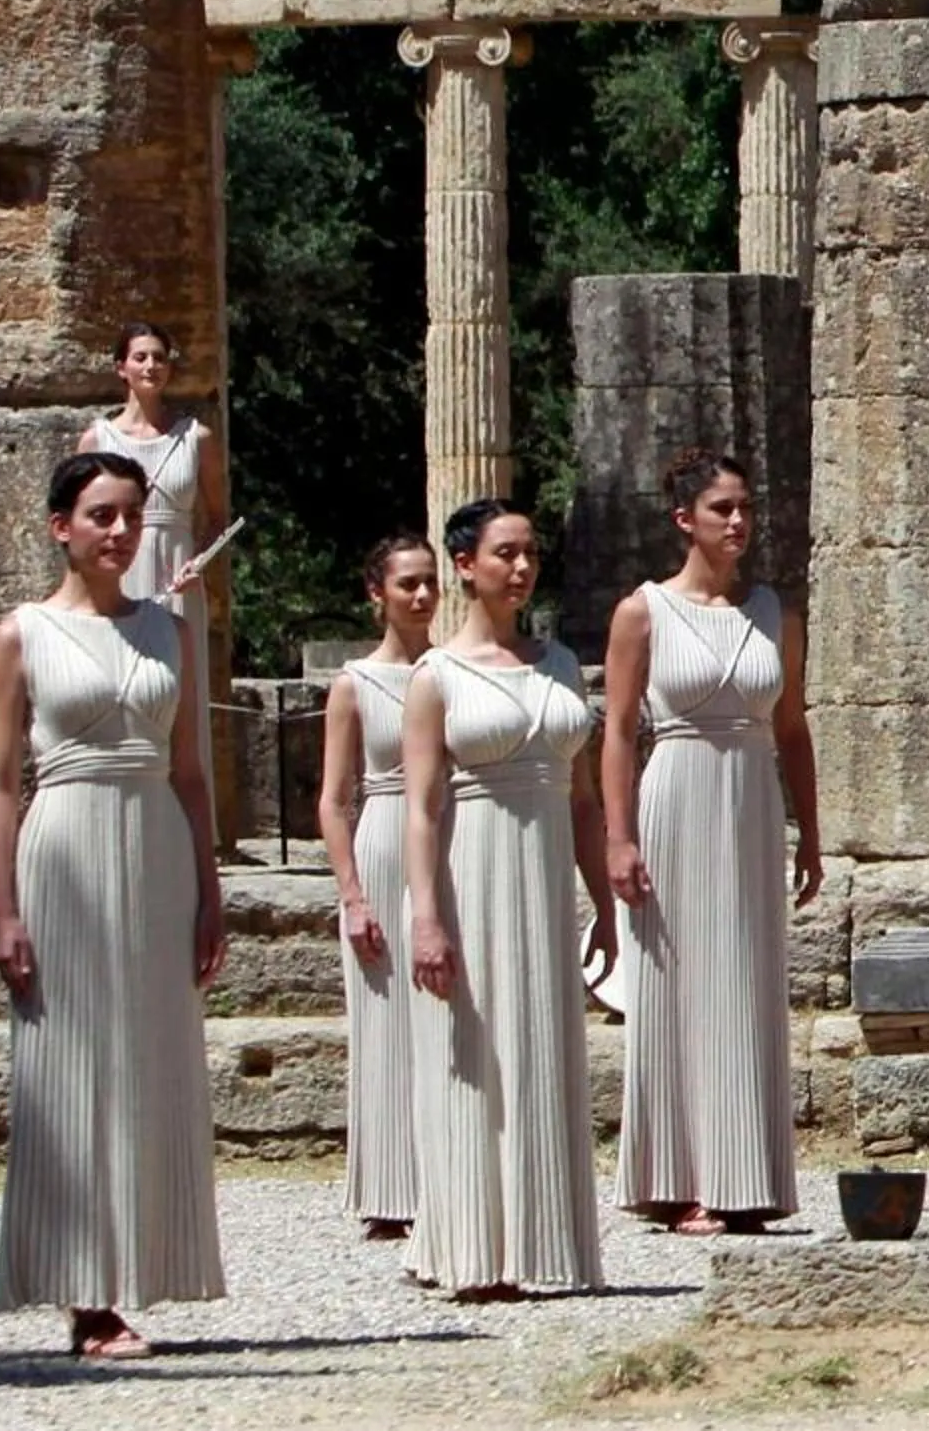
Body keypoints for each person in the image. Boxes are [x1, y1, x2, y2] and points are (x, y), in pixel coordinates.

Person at [0, 451, 224, 1358]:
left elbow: (193, 776)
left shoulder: (170, 632)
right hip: (66, 849)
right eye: (101, 516)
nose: (120, 531)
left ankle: (140, 1268)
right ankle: (85, 1296)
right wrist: (5, 910)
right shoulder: (22, 634)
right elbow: (0, 784)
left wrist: (210, 893)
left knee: (149, 1056)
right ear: (62, 529)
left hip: (156, 845)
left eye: (131, 515)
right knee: (72, 1065)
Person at [603, 449, 818, 1235]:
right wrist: (618, 837)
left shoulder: (774, 614)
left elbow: (791, 729)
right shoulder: (644, 612)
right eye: (723, 508)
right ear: (684, 519)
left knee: (747, 980)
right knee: (679, 981)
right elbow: (620, 731)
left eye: (747, 507)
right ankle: (678, 1176)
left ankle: (747, 1176)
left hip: (752, 800)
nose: (738, 522)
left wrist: (812, 834)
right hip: (676, 792)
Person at [403, 499, 611, 1299]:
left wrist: (604, 902)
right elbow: (421, 808)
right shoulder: (437, 677)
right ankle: (472, 1247)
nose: (521, 568)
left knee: (542, 1045)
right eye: (503, 555)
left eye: (530, 554)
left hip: (545, 871)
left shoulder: (559, 664)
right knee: (476, 1051)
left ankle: (544, 1238)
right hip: (474, 868)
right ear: (465, 566)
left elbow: (585, 798)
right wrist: (426, 917)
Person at [317, 532, 439, 1240]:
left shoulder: (455, 670)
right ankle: (391, 1188)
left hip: (442, 839)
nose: (422, 597)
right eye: (406, 586)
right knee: (386, 1018)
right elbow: (335, 799)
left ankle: (445, 1172)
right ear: (377, 595)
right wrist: (353, 895)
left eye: (429, 583)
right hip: (383, 837)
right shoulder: (354, 684)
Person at [80, 322, 226, 835]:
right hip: (120, 571)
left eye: (159, 357)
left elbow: (217, 518)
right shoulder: (98, 438)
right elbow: (80, 518)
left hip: (178, 572)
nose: (150, 366)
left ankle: (185, 828)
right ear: (121, 367)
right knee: (119, 688)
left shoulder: (197, 438)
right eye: (140, 357)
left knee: (178, 694)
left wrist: (201, 565)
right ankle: (119, 816)